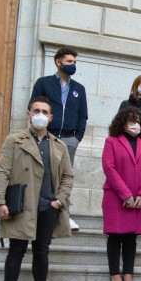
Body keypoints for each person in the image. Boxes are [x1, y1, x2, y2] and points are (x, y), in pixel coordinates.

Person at [0, 97, 74, 281]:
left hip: (48, 206)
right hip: (21, 206)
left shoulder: (59, 145)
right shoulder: (14, 140)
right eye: (36, 110)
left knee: (42, 252)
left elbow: (68, 176)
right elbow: (2, 172)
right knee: (16, 251)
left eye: (45, 111)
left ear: (50, 117)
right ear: (29, 114)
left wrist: (59, 200)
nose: (40, 114)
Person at [30, 47, 87, 231]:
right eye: (69, 62)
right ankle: (36, 212)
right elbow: (34, 107)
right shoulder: (43, 83)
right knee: (43, 173)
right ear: (58, 62)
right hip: (48, 135)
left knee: (65, 177)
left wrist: (77, 137)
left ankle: (64, 215)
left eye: (75, 62)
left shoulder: (79, 89)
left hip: (69, 139)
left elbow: (83, 115)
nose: (73, 65)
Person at [101, 107, 141, 281]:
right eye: (131, 121)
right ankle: (115, 273)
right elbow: (109, 168)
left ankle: (128, 273)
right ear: (122, 123)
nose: (135, 124)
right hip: (117, 197)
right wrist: (125, 194)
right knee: (116, 236)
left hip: (138, 199)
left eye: (138, 121)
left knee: (131, 237)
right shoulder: (112, 142)